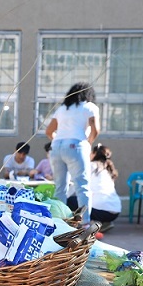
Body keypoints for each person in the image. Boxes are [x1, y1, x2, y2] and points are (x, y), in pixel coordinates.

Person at [45, 82, 100, 226]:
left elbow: (48, 131)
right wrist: (88, 143)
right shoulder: (89, 107)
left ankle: (58, 222)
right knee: (82, 186)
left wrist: (58, 143)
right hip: (76, 146)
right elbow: (96, 129)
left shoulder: (62, 108)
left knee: (60, 187)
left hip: (56, 146)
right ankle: (85, 223)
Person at [67, 144, 121, 231]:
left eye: (91, 152)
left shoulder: (90, 166)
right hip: (115, 212)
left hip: (100, 211)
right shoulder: (108, 169)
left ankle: (89, 224)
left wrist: (63, 199)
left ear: (94, 153)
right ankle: (101, 223)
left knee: (70, 201)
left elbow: (75, 183)